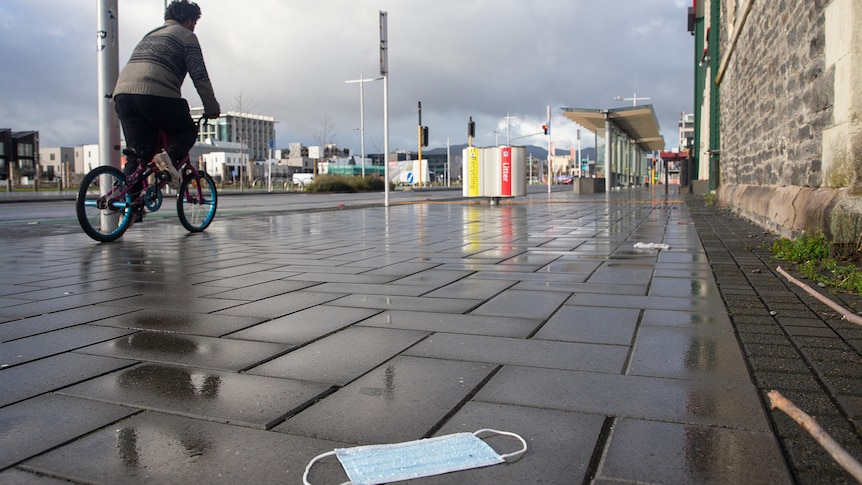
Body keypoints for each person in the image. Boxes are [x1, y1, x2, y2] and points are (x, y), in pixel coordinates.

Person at [113, 0, 219, 218]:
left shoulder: (150, 35)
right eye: (194, 22)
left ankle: (132, 209)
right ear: (189, 20)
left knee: (137, 154)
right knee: (187, 130)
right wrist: (211, 107)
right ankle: (168, 159)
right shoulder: (187, 36)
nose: (194, 27)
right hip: (154, 93)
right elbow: (200, 77)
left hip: (123, 94)